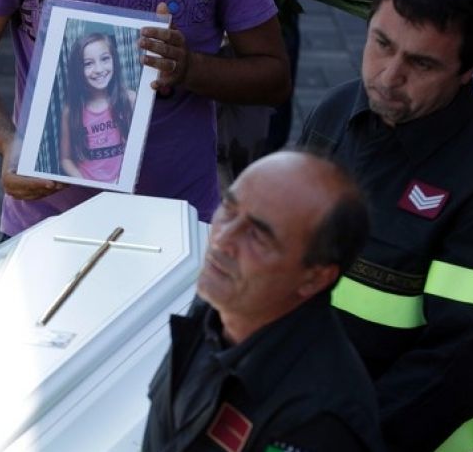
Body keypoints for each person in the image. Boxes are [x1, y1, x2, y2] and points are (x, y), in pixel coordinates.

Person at [298, 0, 473, 449]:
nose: (388, 78)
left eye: (422, 63)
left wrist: (339, 437)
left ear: (470, 70)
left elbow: (457, 361)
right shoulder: (334, 110)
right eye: (381, 43)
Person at [0, 0, 291, 238]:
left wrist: (190, 68)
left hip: (174, 228)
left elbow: (273, 77)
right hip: (45, 226)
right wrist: (9, 144)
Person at [143, 150, 383, 452]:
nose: (222, 240)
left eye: (257, 236)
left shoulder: (318, 420)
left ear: (314, 278)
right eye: (228, 210)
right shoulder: (213, 311)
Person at [59, 31, 136, 183]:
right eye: (88, 63)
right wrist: (84, 182)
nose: (99, 69)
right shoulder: (71, 111)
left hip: (123, 188)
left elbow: (138, 152)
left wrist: (121, 182)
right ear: (77, 70)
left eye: (105, 59)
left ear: (114, 60)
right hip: (86, 192)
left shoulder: (130, 99)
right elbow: (65, 159)